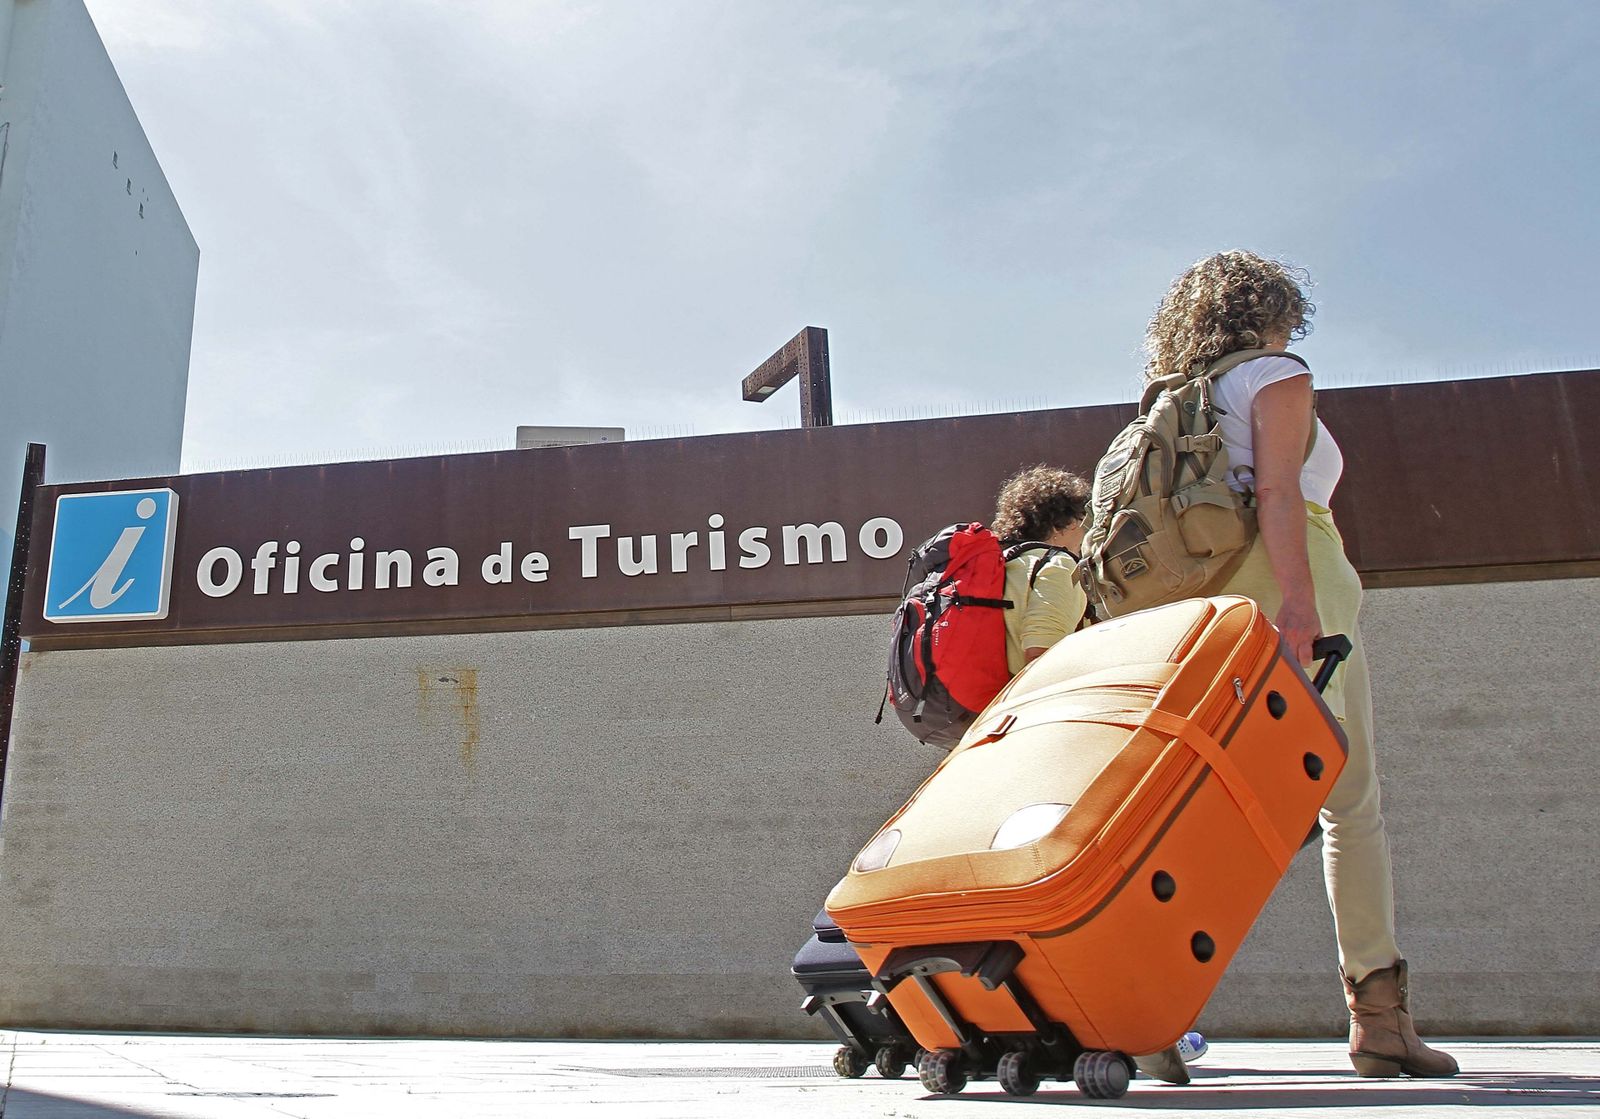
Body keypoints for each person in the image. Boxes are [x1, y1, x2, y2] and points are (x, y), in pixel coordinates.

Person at [1139, 250, 1457, 1079]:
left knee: (1199, 807)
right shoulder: (1275, 373)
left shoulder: (1181, 400)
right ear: (1272, 311)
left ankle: (1147, 1011)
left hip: (1204, 604)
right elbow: (1281, 492)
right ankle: (1379, 1018)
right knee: (1349, 804)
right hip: (1288, 583)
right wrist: (1302, 604)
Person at [990, 465, 1211, 1077]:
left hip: (997, 751)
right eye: (1084, 519)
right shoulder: (1055, 570)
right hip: (1057, 749)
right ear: (1065, 521)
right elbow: (1043, 661)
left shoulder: (1000, 571)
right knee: (1114, 884)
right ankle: (1151, 1031)